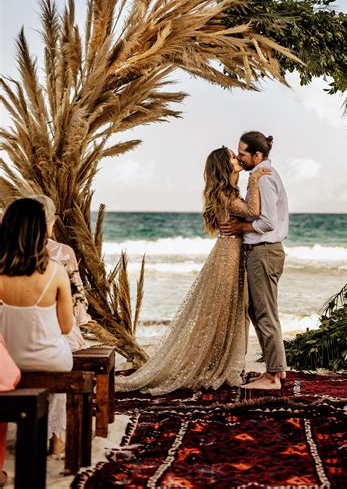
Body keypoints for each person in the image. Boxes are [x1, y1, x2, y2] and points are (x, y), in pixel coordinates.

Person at [116, 146, 270, 394]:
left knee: (233, 312)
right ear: (223, 166)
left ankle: (229, 366)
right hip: (228, 257)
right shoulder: (223, 193)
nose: (238, 158)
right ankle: (215, 366)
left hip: (233, 254)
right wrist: (255, 178)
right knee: (222, 312)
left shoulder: (228, 191)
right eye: (233, 157)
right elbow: (253, 212)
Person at [0, 198, 73, 456]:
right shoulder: (55, 271)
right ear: (41, 229)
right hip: (50, 359)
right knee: (62, 355)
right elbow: (66, 327)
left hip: (8, 364)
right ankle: (56, 438)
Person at [220, 131, 289, 391]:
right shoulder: (259, 176)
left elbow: (267, 222)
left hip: (264, 251)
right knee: (259, 310)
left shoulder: (263, 178)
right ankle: (277, 368)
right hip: (262, 251)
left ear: (257, 155)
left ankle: (272, 376)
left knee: (264, 313)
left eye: (243, 153)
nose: (239, 156)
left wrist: (241, 228)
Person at [29, 194, 91, 350]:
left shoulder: (7, 253)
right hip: (59, 339)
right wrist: (83, 318)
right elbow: (78, 305)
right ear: (51, 221)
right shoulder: (62, 252)